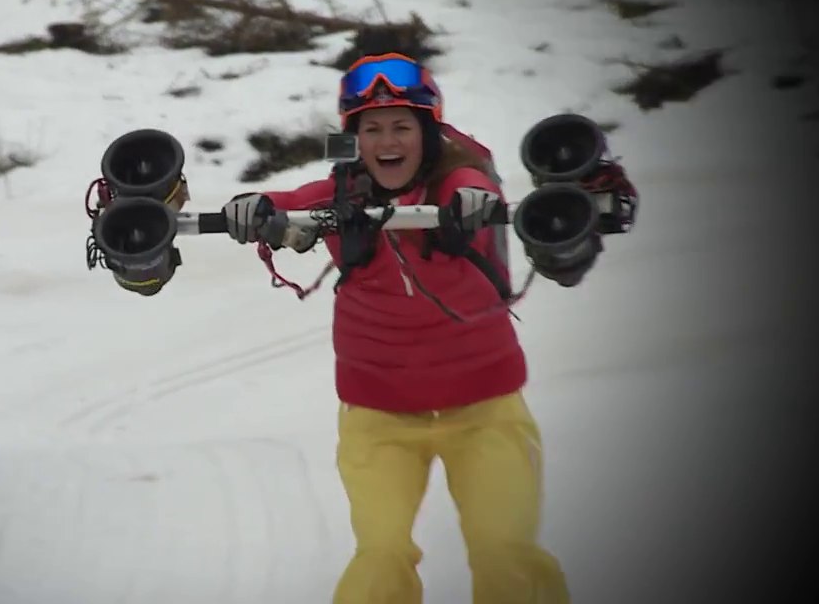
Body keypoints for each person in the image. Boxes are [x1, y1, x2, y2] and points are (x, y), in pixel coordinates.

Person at [220, 49, 572, 604]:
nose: (388, 141)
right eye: (372, 129)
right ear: (354, 142)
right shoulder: (341, 197)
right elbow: (285, 203)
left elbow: (474, 188)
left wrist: (472, 208)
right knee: (381, 554)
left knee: (504, 550)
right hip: (379, 414)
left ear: (427, 135)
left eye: (402, 127)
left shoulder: (458, 180)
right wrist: (254, 206)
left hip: (485, 407)